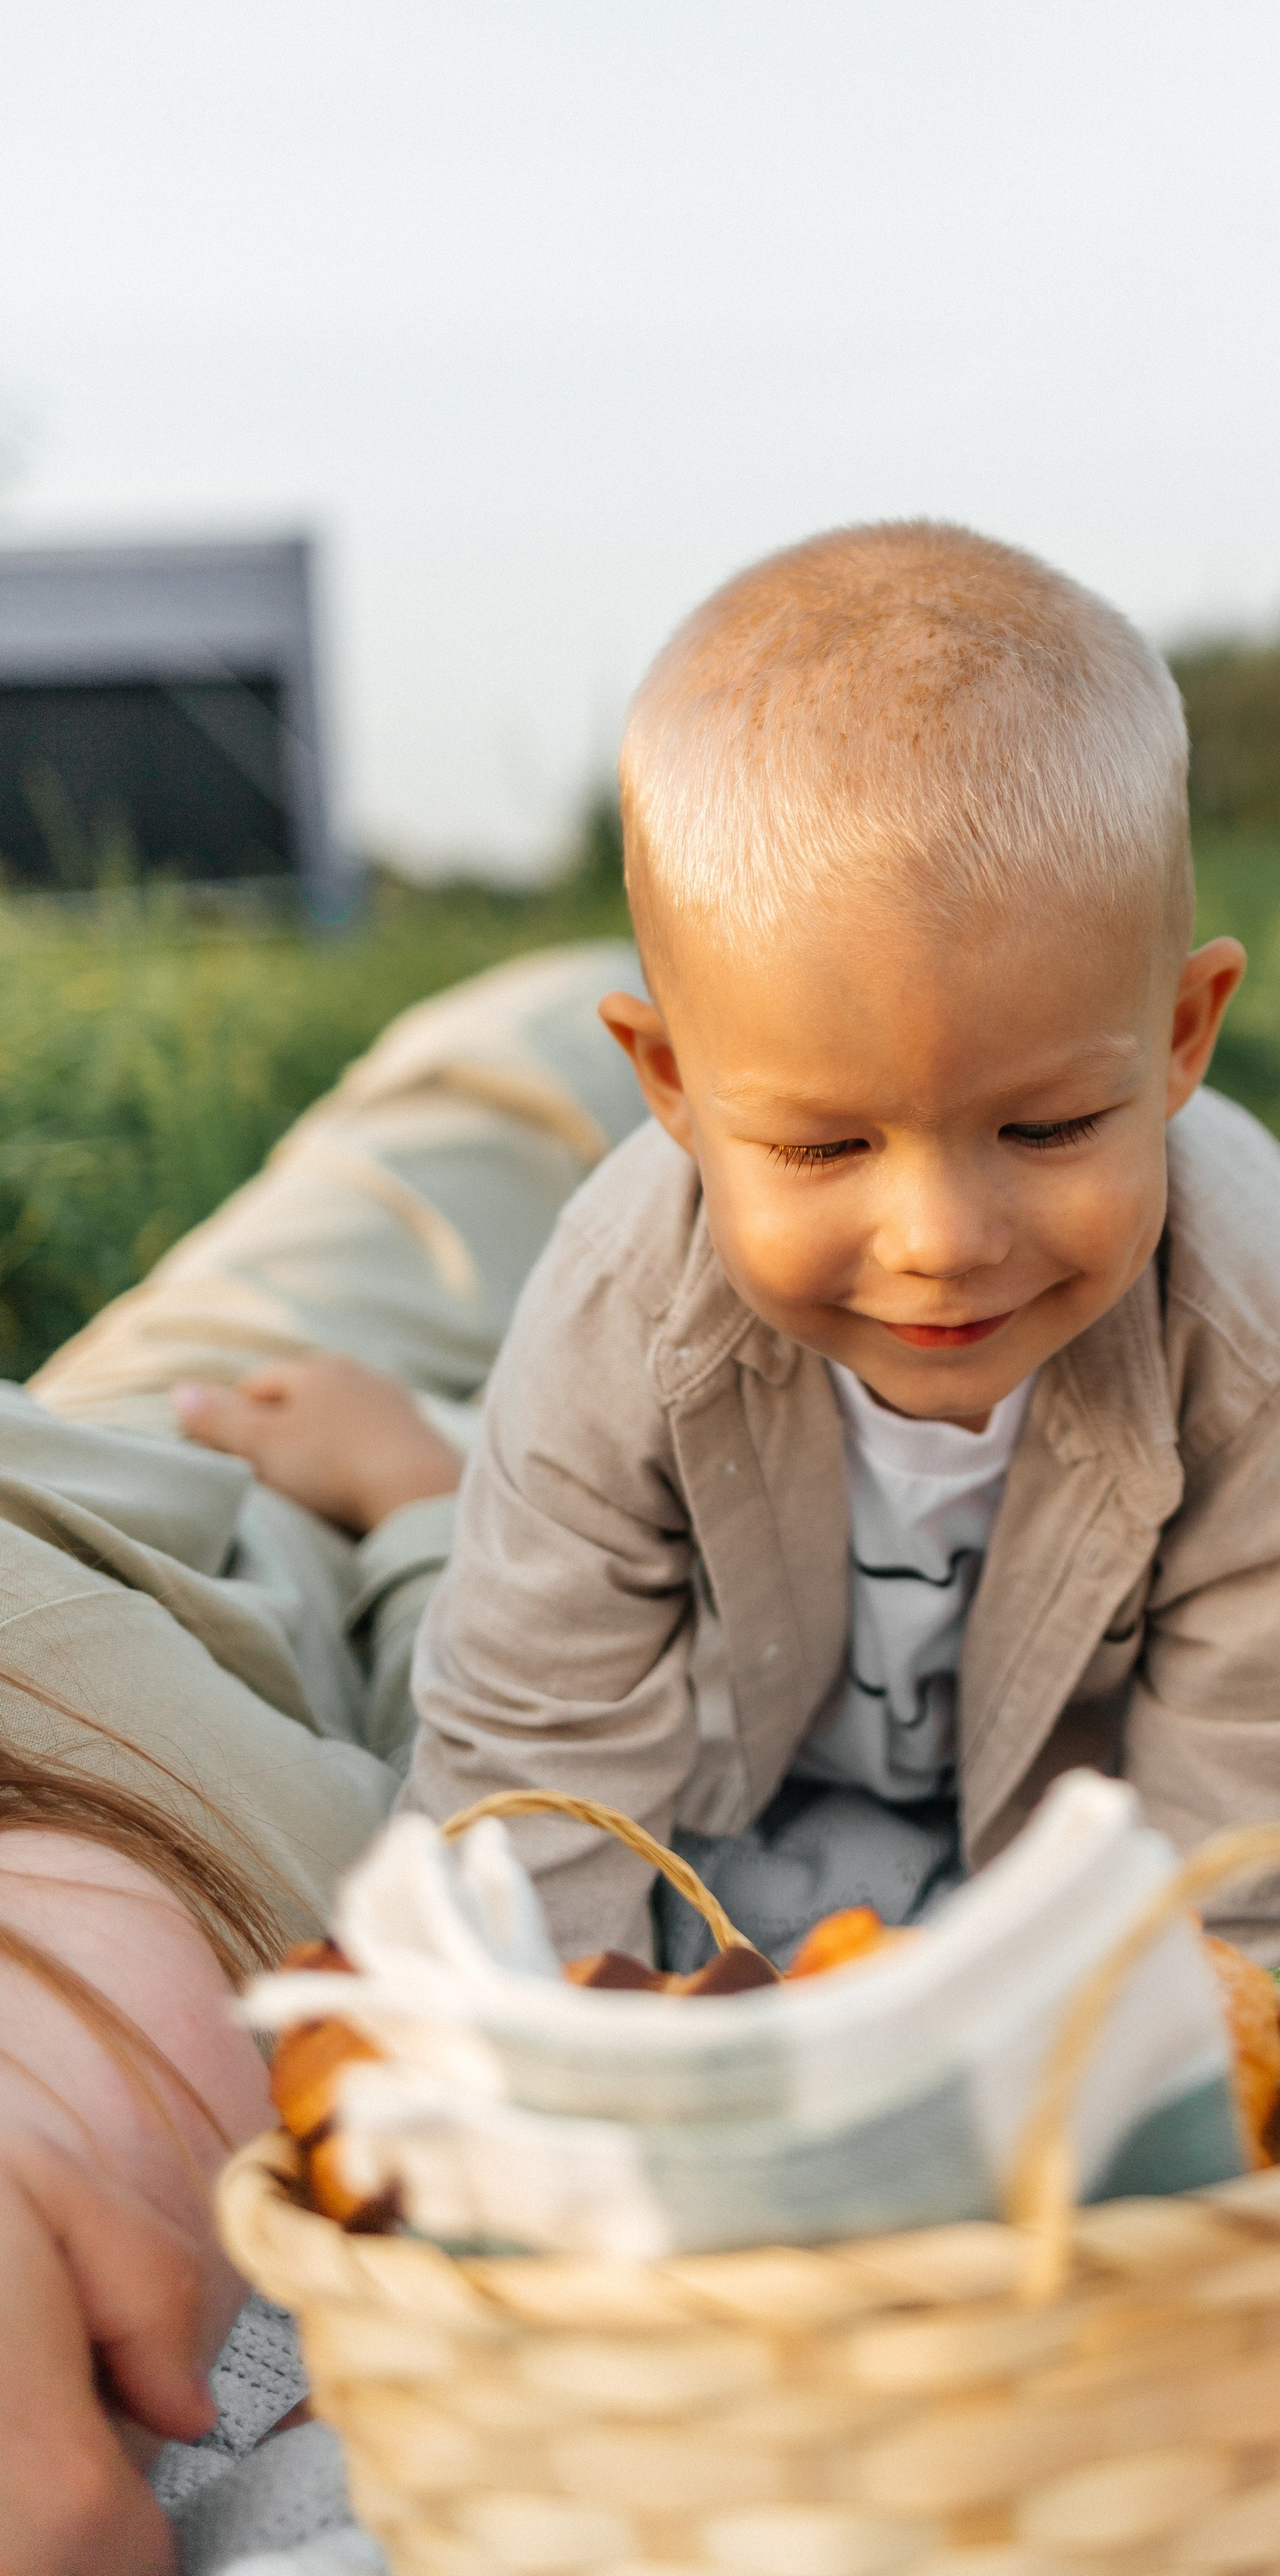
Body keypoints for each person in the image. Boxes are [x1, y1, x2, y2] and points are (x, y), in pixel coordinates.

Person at [405, 522, 1280, 1966]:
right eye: (825, 1148)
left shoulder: (1260, 1327)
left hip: (1110, 1819)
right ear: (673, 1086)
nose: (941, 1241)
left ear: (1184, 1036)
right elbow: (527, 1776)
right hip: (743, 1775)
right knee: (457, 1641)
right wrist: (563, 2079)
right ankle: (404, 1484)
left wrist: (1118, 2081)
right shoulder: (620, 1307)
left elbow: (1265, 1822)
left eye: (1051, 1128)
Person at [2, 940, 649, 2574]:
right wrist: (424, 1506)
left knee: (530, 1097)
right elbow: (514, 1824)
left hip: (203, 1461)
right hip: (243, 1490)